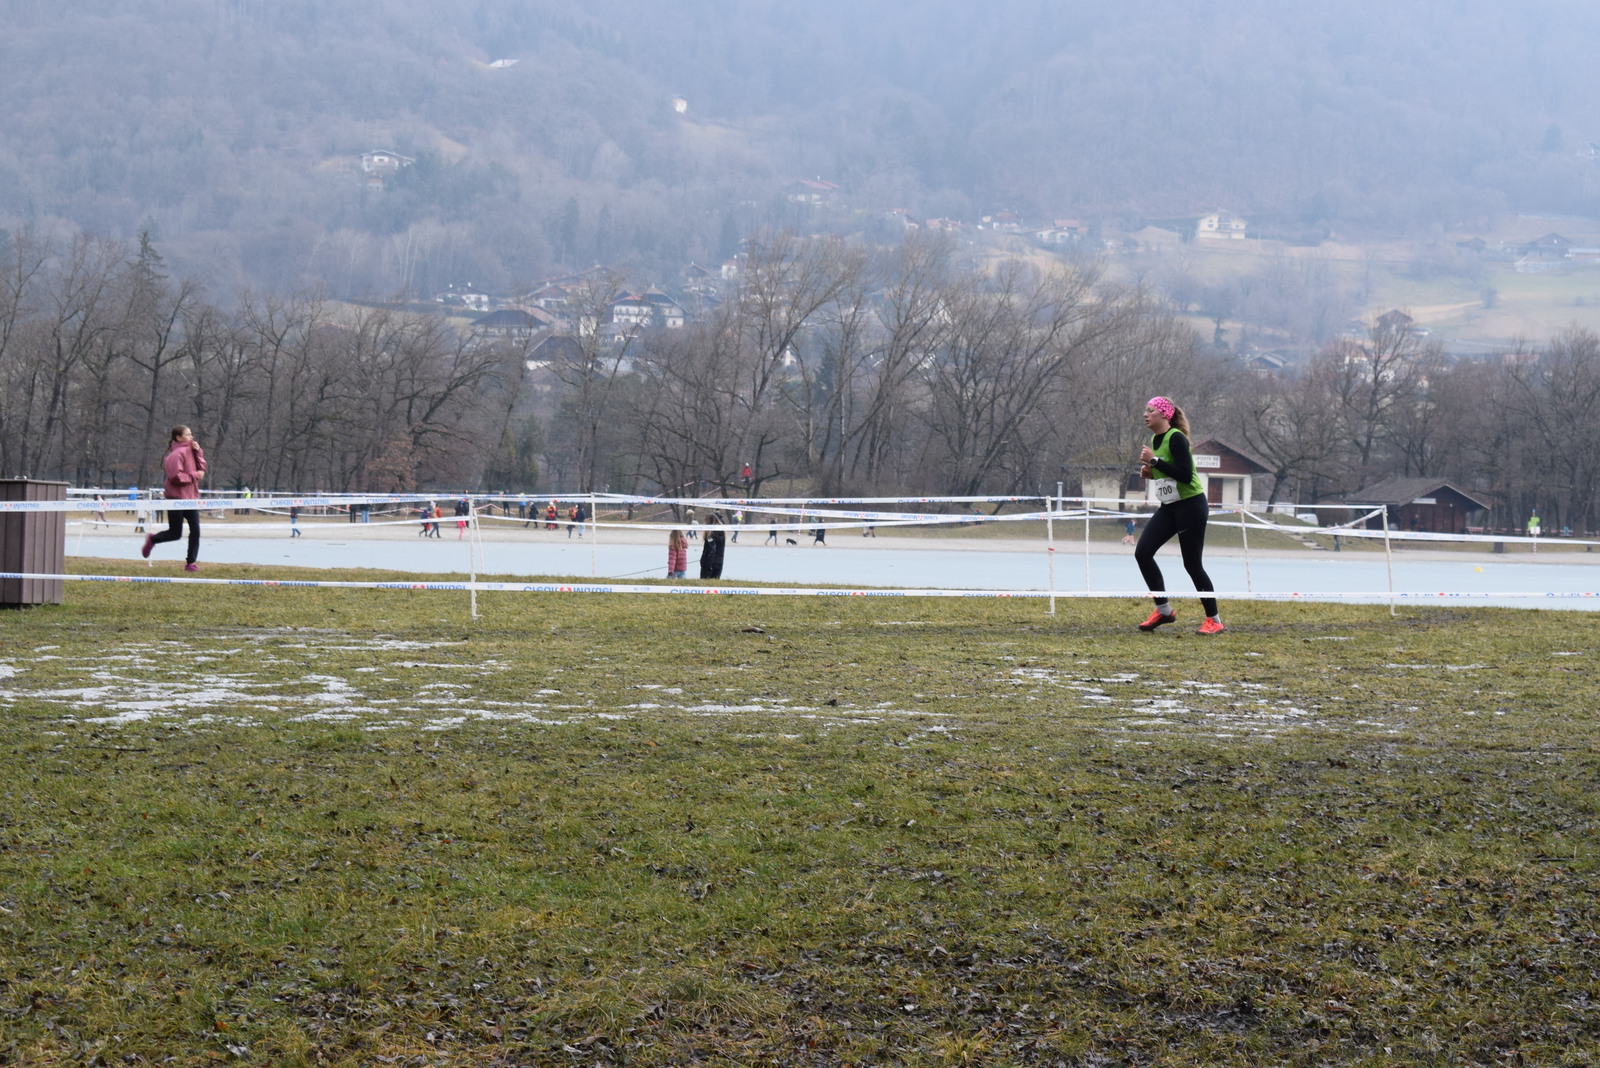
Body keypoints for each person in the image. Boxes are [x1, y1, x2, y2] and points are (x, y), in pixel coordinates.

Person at [1134, 396, 1222, 634]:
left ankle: (1214, 620)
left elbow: (1184, 474)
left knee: (1192, 564)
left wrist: (1154, 461)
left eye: (1150, 410)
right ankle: (1163, 610)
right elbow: (1167, 473)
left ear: (1164, 414)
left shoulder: (1176, 438)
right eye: (1145, 410)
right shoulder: (1155, 439)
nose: (1145, 414)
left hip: (1191, 506)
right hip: (1169, 507)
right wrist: (1152, 473)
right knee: (1143, 553)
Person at [141, 425, 206, 572]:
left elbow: (202, 467)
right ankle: (152, 539)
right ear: (179, 437)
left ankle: (190, 563)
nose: (191, 437)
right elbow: (175, 477)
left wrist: (198, 452)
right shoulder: (175, 455)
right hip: (176, 499)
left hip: (191, 498)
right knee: (175, 533)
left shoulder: (192, 450)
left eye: (191, 434)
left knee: (195, 530)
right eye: (188, 435)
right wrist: (195, 476)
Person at [699, 512, 726, 579]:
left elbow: (712, 550)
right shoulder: (722, 533)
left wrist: (708, 564)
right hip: (719, 562)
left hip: (710, 564)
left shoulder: (710, 535)